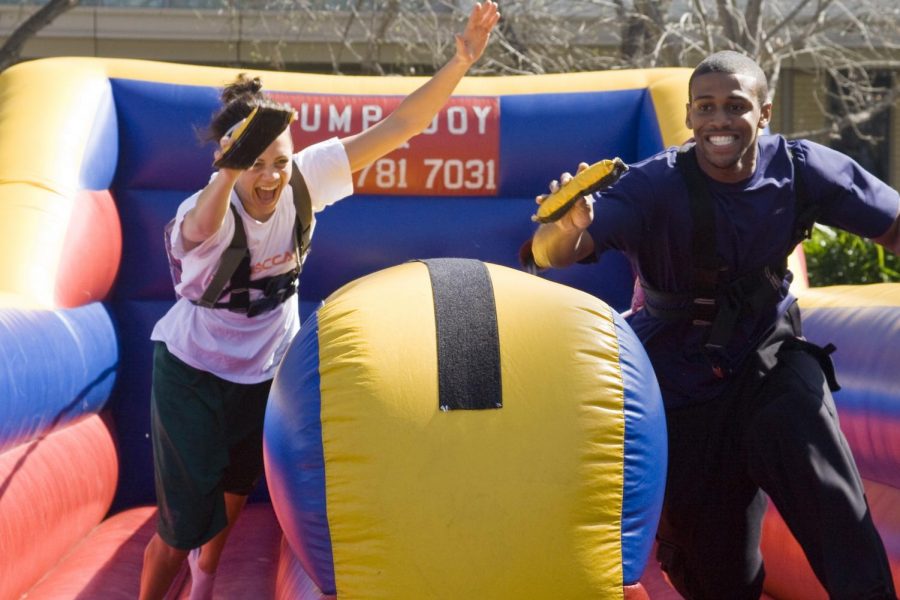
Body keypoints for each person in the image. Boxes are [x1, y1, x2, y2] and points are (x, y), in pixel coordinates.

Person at [139, 3, 500, 599]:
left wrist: (459, 62)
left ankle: (204, 582)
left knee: (234, 491)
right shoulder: (208, 207)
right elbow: (201, 232)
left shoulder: (304, 181)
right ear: (227, 164)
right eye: (254, 164)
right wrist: (229, 173)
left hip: (264, 370)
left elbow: (402, 125)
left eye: (279, 161)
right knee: (180, 529)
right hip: (193, 370)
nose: (271, 177)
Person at [528, 51, 899, 599]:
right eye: (706, 108)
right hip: (682, 380)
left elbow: (892, 225)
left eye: (735, 106)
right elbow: (550, 252)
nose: (719, 120)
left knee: (832, 498)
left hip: (770, 358)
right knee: (717, 571)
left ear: (765, 112)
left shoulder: (800, 169)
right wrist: (565, 227)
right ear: (690, 116)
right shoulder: (656, 184)